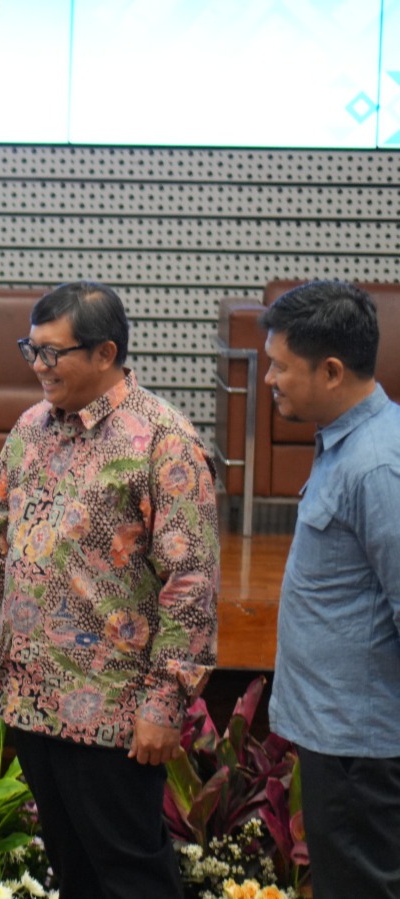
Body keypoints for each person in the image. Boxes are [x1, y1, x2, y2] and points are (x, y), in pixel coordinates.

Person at [0, 281, 219, 899]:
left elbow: (191, 585)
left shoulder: (164, 441)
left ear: (105, 354)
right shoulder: (30, 427)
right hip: (30, 694)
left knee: (130, 874)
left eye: (53, 353)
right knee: (73, 873)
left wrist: (164, 703)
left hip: (114, 709)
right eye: (32, 350)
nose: (39, 368)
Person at [261, 280, 400, 898]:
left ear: (333, 370)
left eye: (280, 366)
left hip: (364, 752)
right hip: (341, 737)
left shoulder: (378, 466)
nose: (268, 377)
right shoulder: (350, 445)